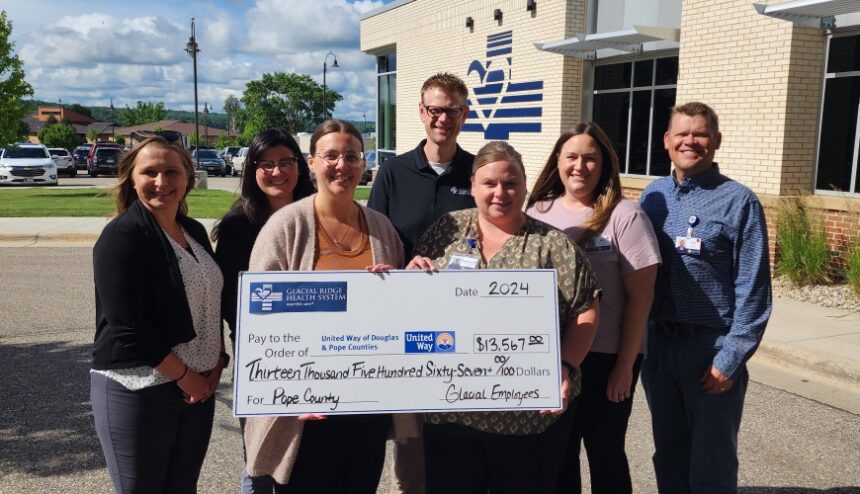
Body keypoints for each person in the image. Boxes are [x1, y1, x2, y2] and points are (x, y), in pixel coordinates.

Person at [408, 141, 601, 494]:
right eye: (490, 183)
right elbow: (419, 297)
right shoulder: (446, 231)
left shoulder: (551, 244)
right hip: (451, 413)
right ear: (472, 186)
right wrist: (405, 279)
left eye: (510, 183)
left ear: (525, 186)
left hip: (525, 419)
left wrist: (565, 366)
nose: (500, 192)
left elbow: (586, 308)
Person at [242, 120, 419, 493]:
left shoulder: (382, 229)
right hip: (307, 410)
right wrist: (284, 396)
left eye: (352, 156)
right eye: (331, 155)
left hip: (367, 404)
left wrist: (404, 284)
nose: (343, 165)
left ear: (364, 163)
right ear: (312, 163)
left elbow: (400, 318)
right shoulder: (285, 227)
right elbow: (259, 321)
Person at [639, 102, 772, 493]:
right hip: (660, 346)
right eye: (682, 133)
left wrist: (730, 358)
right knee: (669, 453)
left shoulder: (739, 201)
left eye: (699, 134)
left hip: (710, 349)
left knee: (712, 459)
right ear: (666, 141)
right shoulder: (653, 196)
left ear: (716, 141)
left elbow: (754, 288)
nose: (690, 141)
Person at [526, 122, 661, 493]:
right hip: (552, 354)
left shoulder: (625, 216)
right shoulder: (537, 211)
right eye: (571, 157)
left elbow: (642, 298)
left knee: (605, 453)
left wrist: (624, 366)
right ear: (558, 161)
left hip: (606, 356)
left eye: (590, 158)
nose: (580, 166)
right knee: (558, 453)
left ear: (605, 165)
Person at [90, 133, 227, 493]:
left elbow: (209, 301)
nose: (161, 182)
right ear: (132, 179)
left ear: (187, 179)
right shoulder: (123, 235)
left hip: (197, 388)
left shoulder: (193, 231)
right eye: (149, 172)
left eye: (172, 171)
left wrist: (217, 361)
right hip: (138, 388)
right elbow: (127, 325)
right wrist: (185, 376)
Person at [367, 71, 477, 494]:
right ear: (421, 113)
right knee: (410, 438)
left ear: (464, 114)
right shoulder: (394, 172)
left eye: (451, 110)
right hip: (405, 319)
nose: (442, 118)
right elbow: (376, 236)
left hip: (463, 318)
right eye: (435, 109)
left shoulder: (476, 171)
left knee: (458, 429)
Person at [212, 128, 315, 493]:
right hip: (262, 355)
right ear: (252, 170)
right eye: (265, 163)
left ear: (300, 167)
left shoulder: (320, 215)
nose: (277, 171)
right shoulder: (239, 226)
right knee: (260, 452)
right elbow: (229, 302)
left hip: (320, 353)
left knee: (309, 453)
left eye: (285, 162)